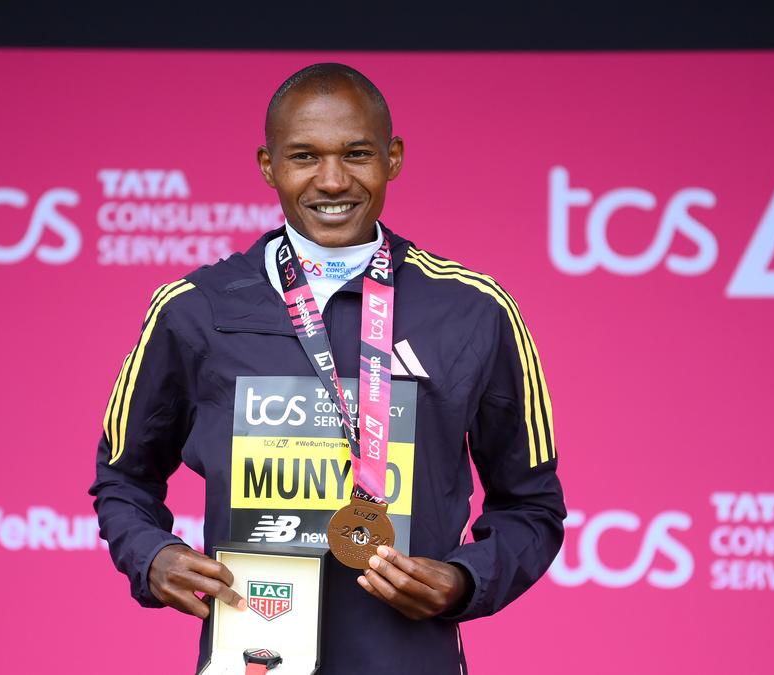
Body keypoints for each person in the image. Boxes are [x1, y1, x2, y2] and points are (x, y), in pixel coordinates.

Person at [89, 63, 566, 674]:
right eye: (304, 156)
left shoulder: (473, 310)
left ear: (393, 158)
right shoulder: (194, 310)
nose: (333, 180)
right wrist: (152, 556)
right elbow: (123, 479)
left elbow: (532, 505)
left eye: (357, 153)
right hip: (255, 660)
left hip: (406, 660)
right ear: (269, 166)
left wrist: (466, 580)